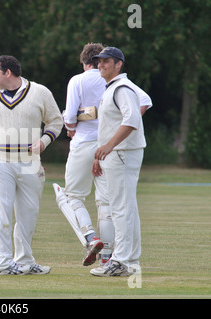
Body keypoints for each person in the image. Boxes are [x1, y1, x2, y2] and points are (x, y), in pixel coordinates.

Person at [0, 55, 63, 275]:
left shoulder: (40, 92)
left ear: (8, 73)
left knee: (28, 214)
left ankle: (25, 261)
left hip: (29, 162)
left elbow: (56, 120)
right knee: (2, 214)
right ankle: (3, 263)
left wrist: (44, 142)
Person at [53, 44, 153, 268]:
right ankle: (108, 254)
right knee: (107, 201)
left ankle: (91, 238)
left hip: (93, 144)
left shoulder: (81, 80)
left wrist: (74, 122)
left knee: (73, 197)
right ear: (95, 61)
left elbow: (69, 119)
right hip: (106, 147)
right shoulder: (113, 82)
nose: (101, 65)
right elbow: (145, 101)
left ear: (83, 62)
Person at [90, 47, 146, 276]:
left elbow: (131, 120)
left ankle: (121, 262)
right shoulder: (114, 88)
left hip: (122, 153)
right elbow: (112, 125)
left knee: (120, 208)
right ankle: (130, 260)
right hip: (120, 153)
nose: (101, 65)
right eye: (99, 61)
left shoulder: (122, 88)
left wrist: (110, 146)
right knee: (126, 207)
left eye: (106, 61)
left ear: (118, 64)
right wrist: (100, 154)